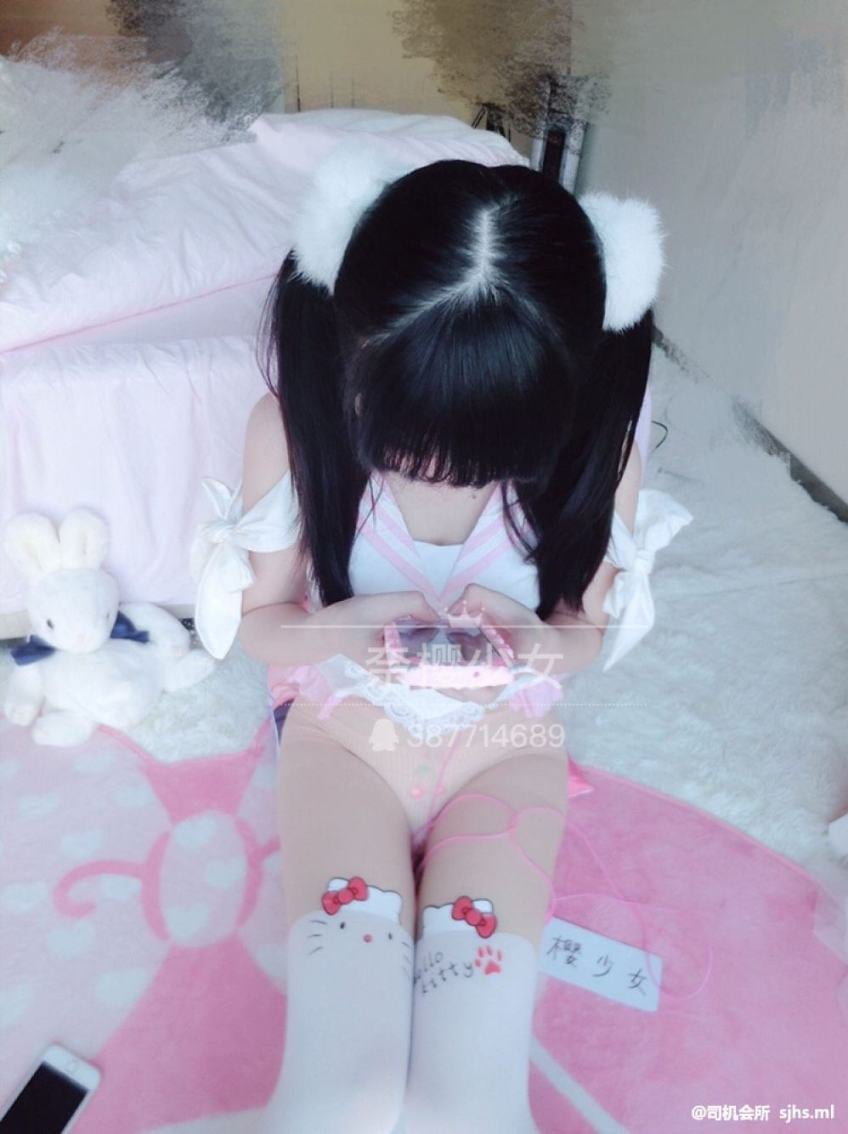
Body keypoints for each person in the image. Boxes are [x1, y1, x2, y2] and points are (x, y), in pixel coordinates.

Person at [191, 140, 691, 1133]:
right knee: (342, 1094)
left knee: (469, 1100)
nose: (443, 479)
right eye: (409, 446)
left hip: (505, 751)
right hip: (345, 743)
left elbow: (582, 632)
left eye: (488, 458)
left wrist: (533, 642)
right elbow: (262, 627)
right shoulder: (289, 431)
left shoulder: (602, 454)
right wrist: (351, 627)